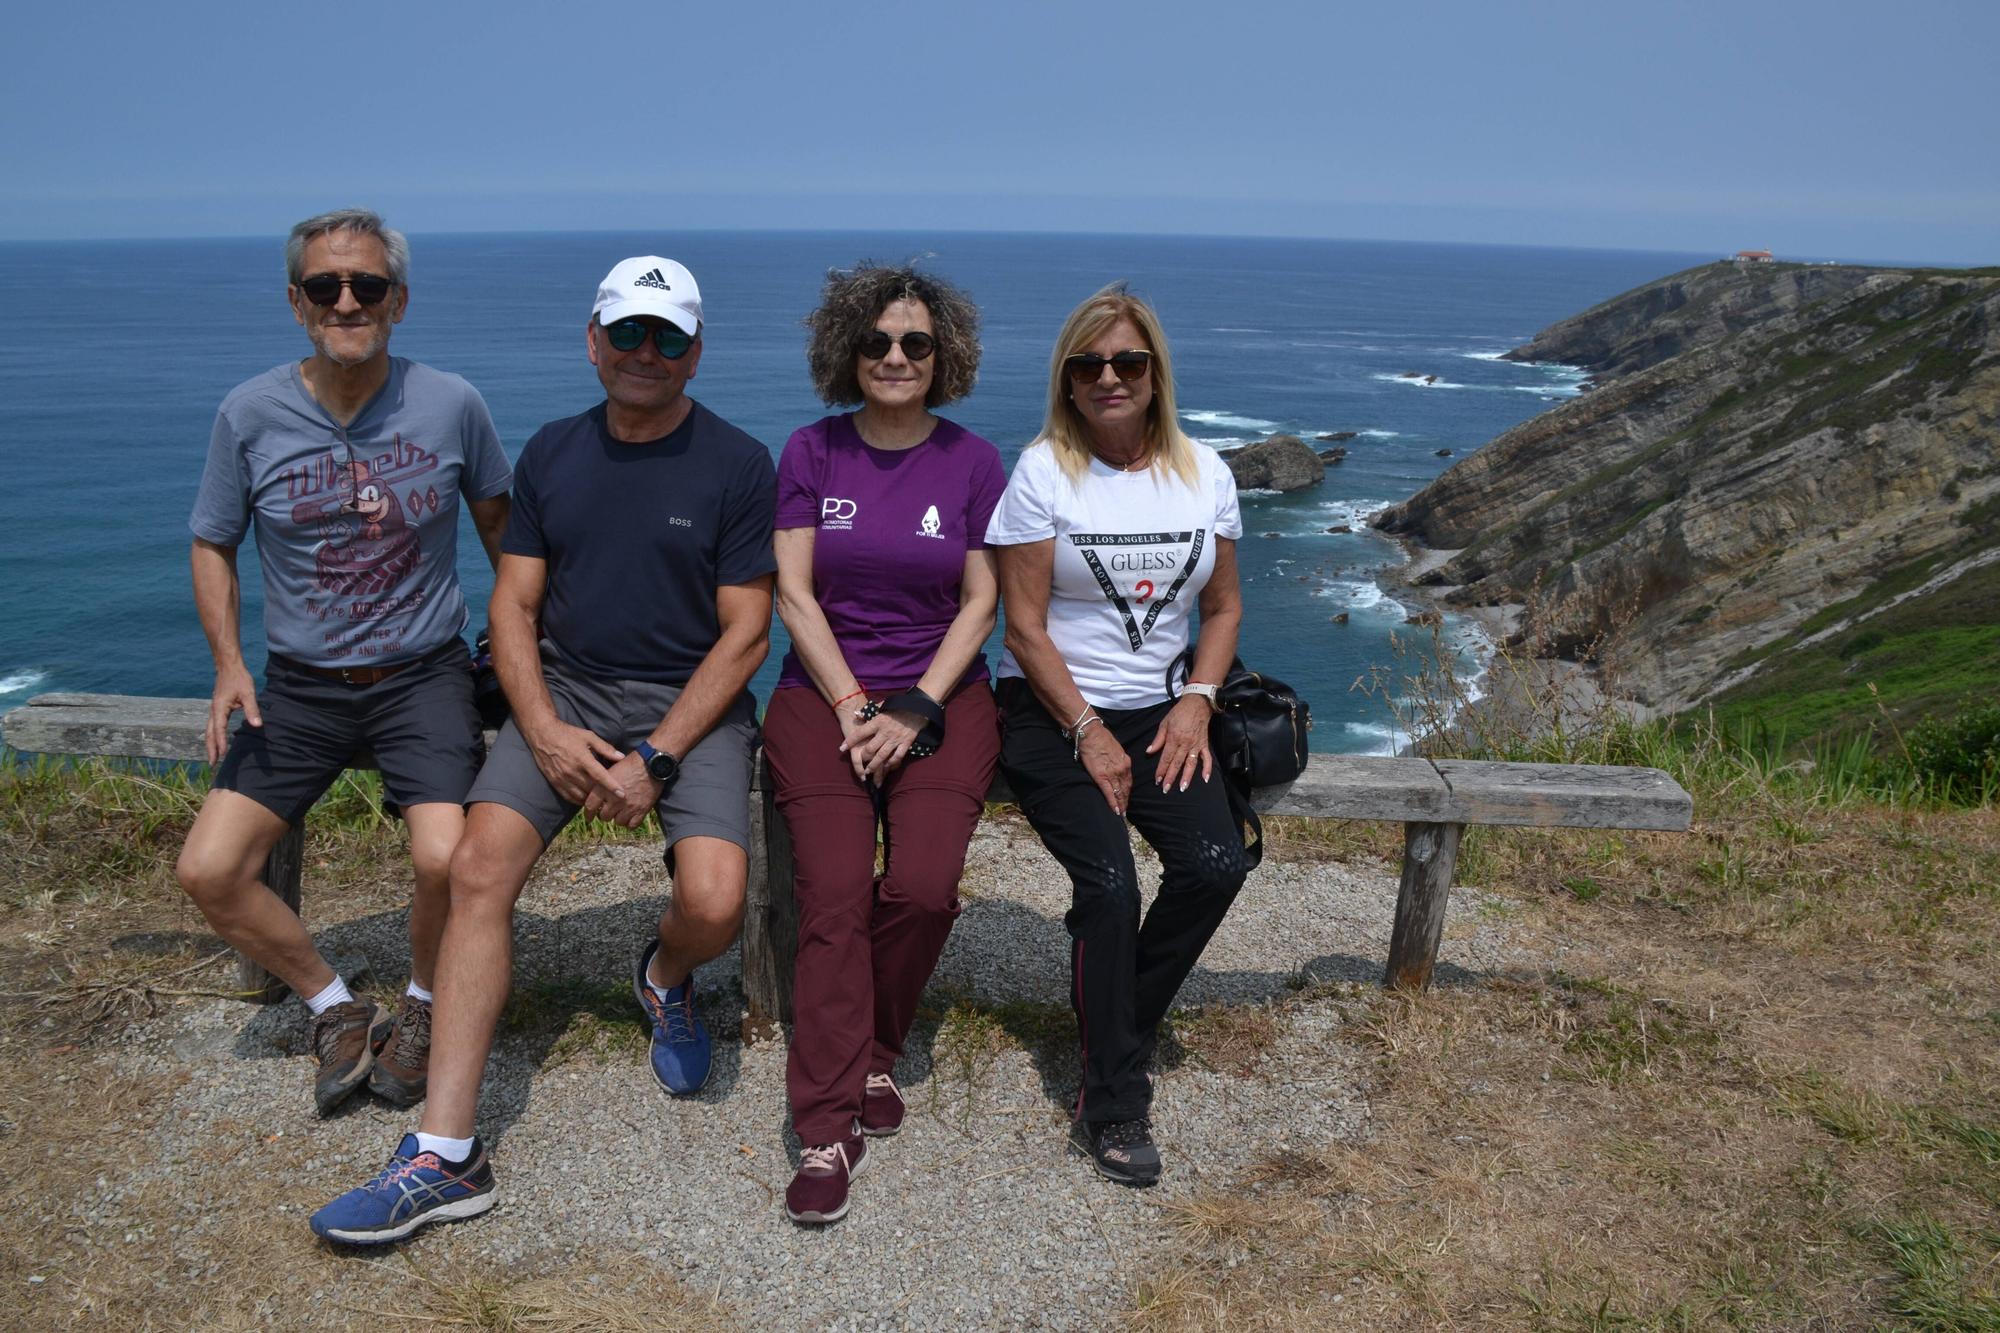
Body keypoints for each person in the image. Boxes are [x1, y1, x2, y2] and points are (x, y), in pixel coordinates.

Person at [311, 255, 777, 1244]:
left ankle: (660, 975)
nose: (644, 354)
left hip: (689, 699)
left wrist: (654, 756)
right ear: (592, 339)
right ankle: (445, 1154)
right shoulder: (554, 453)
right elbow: (512, 606)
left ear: (696, 354)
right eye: (627, 333)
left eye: (667, 337)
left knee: (713, 900)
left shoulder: (738, 463)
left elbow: (745, 634)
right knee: (478, 870)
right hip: (562, 691)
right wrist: (548, 729)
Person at [176, 208, 511, 1117]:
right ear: (297, 303)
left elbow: (503, 531)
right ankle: (332, 1003)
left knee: (446, 859)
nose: (347, 301)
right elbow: (212, 541)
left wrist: (523, 645)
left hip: (422, 677)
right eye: (326, 286)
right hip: (301, 686)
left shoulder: (452, 403)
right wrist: (227, 662)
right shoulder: (249, 413)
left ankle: (424, 1006)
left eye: (367, 285)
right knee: (209, 870)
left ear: (399, 300)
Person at [985, 283, 1249, 1188]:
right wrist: (1089, 729)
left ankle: (1115, 1021)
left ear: (1154, 373)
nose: (1108, 377)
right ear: (1066, 378)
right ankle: (1112, 1096)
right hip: (1051, 713)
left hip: (1164, 714)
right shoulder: (1042, 473)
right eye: (1088, 363)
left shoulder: (1204, 472)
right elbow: (1021, 628)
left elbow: (1223, 604)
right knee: (1108, 885)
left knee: (1217, 862)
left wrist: (1199, 698)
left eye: (1127, 362)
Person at [765, 265, 1005, 1224]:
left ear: (942, 355)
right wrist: (856, 702)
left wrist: (911, 708)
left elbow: (982, 600)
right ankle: (827, 1125)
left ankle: (871, 1047)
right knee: (829, 894)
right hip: (821, 696)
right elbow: (794, 593)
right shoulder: (811, 450)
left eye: (915, 343)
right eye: (877, 342)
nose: (896, 357)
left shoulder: (975, 461)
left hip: (941, 697)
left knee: (920, 887)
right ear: (847, 352)